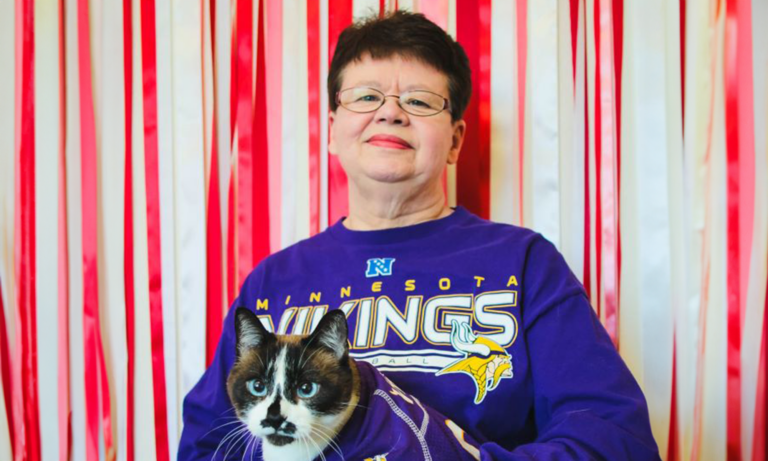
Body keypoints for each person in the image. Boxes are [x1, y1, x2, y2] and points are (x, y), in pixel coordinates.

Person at [178, 11, 661, 460]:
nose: (390, 113)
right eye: (366, 97)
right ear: (333, 129)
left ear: (454, 140)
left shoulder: (523, 261)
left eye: (419, 100)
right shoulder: (274, 279)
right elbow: (204, 444)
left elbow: (616, 439)